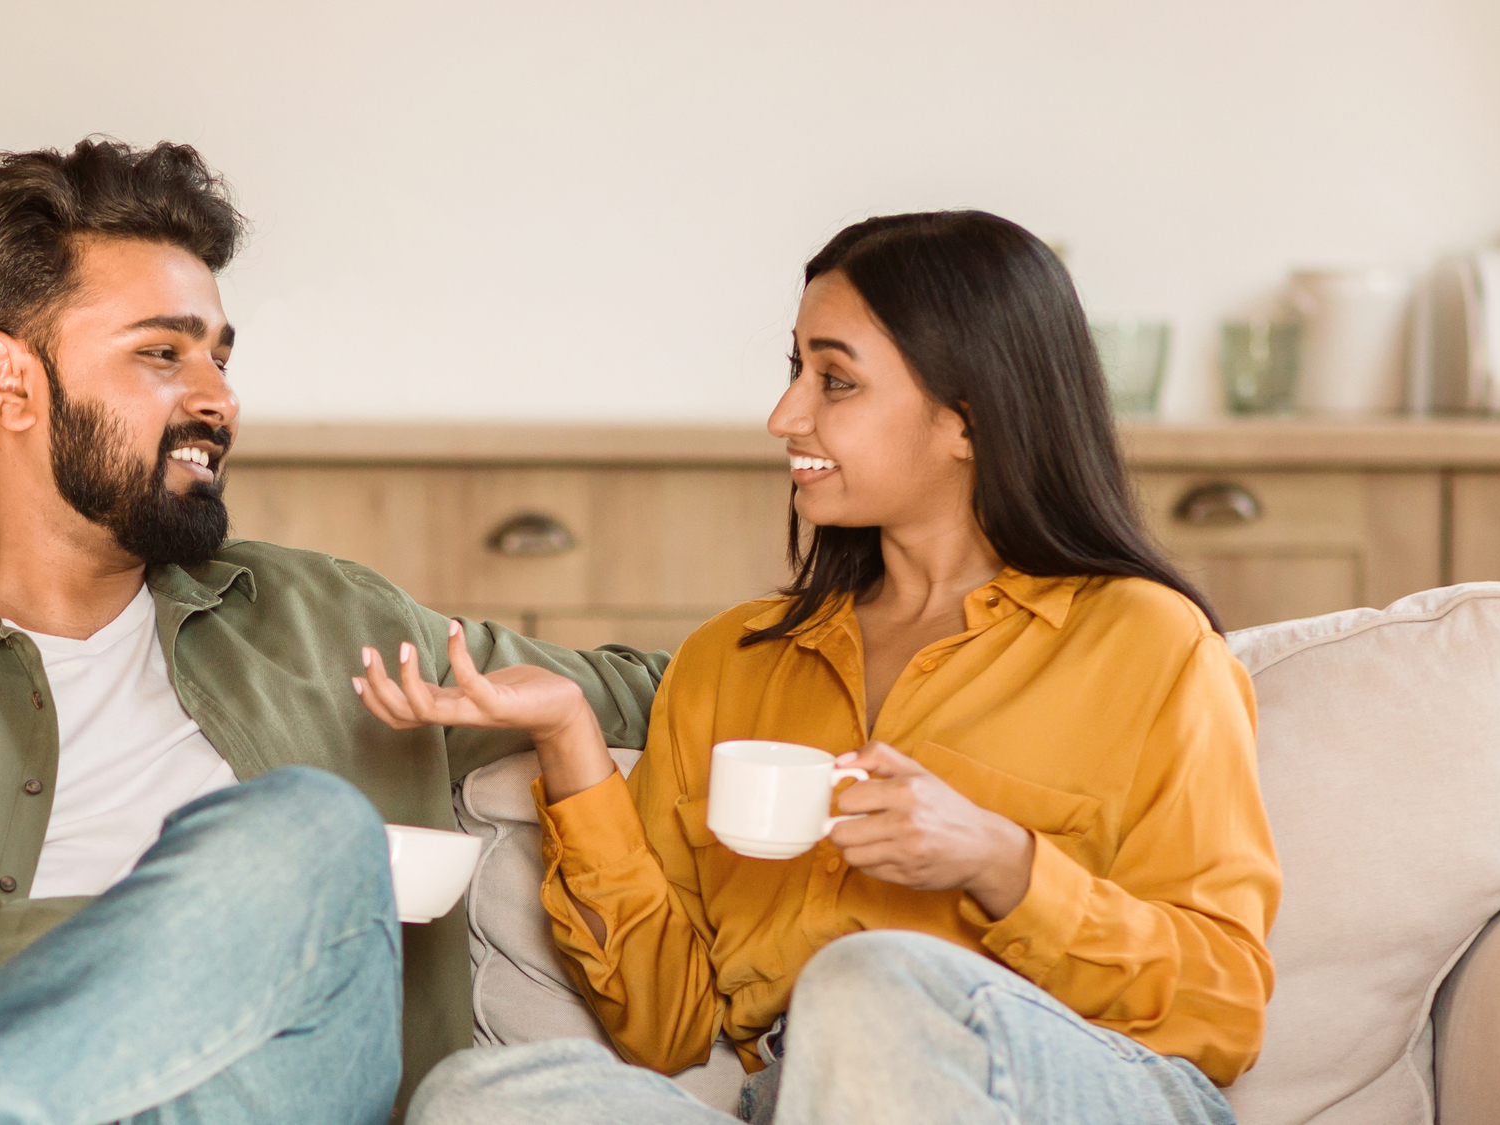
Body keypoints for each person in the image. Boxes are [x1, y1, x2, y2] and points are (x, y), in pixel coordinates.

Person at [0, 137, 669, 1125]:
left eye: (218, 357)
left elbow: (676, 689)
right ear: (8, 382)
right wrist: (176, 935)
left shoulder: (335, 621)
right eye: (162, 352)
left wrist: (825, 587)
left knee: (310, 829)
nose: (218, 399)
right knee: (303, 845)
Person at [354, 211, 1282, 1125]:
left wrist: (1001, 860)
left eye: (834, 380)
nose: (783, 415)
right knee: (485, 1099)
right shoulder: (735, 661)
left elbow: (1223, 1007)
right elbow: (666, 1026)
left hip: (1076, 1080)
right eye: (794, 369)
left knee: (868, 980)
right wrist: (569, 740)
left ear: (968, 417)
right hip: (798, 1096)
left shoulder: (1147, 643)